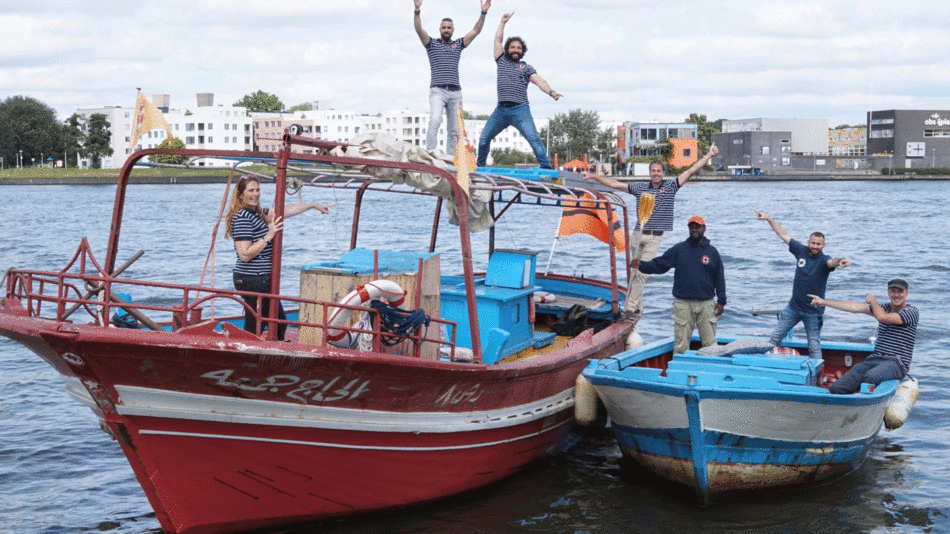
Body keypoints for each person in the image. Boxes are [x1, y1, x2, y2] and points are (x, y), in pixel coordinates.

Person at [584, 143, 719, 321]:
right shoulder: (641, 188)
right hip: (637, 234)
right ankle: (638, 305)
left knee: (642, 272)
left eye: (659, 171)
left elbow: (691, 170)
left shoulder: (671, 186)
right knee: (635, 272)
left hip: (655, 237)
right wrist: (595, 177)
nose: (656, 174)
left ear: (663, 173)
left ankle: (630, 309)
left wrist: (708, 155)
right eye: (653, 171)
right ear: (650, 173)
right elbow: (616, 185)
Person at [225, 177, 332, 340]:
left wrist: (312, 205)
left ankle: (260, 354)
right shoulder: (242, 217)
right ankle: (246, 354)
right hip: (251, 279)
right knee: (257, 325)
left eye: (257, 190)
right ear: (240, 195)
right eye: (251, 190)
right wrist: (269, 235)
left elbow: (283, 211)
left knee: (278, 324)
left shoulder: (256, 214)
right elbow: (244, 254)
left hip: (260, 279)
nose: (255, 194)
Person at [754, 210, 850, 359]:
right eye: (813, 243)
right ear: (808, 242)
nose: (815, 246)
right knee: (773, 340)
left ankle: (817, 378)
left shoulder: (825, 260)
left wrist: (841, 260)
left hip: (814, 312)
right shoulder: (801, 251)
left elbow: (833, 262)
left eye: (818, 244)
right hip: (793, 308)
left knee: (814, 346)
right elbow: (784, 234)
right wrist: (768, 218)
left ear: (823, 245)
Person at [476, 12, 562, 169]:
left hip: (520, 109)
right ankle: (479, 167)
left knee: (533, 138)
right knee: (483, 139)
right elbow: (497, 40)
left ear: (522, 51)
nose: (515, 49)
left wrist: (551, 92)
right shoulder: (501, 60)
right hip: (501, 110)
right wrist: (502, 22)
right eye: (513, 47)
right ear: (508, 49)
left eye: (519, 48)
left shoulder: (526, 67)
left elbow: (539, 80)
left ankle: (546, 167)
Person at [631, 215, 726, 354]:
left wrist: (721, 301)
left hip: (706, 305)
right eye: (691, 227)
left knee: (710, 344)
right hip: (683, 304)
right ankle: (678, 372)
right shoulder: (679, 249)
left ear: (704, 229)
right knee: (681, 345)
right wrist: (642, 265)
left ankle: (711, 372)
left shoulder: (713, 252)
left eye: (697, 227)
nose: (694, 229)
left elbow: (720, 278)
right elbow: (660, 264)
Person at [809, 279, 919, 394]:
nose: (896, 295)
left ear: (906, 293)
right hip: (875, 359)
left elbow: (883, 318)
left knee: (871, 376)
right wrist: (824, 302)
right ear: (888, 292)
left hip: (897, 363)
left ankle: (862, 401)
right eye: (893, 291)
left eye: (900, 291)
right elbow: (854, 307)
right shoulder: (883, 308)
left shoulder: (911, 312)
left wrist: (873, 301)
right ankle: (849, 402)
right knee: (836, 388)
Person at [414, 0, 491, 155]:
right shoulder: (431, 44)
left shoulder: (458, 44)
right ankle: (431, 153)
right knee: (435, 120)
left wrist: (483, 13)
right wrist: (417, 10)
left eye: (449, 27)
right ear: (440, 29)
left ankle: (449, 159)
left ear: (453, 29)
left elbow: (476, 31)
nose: (446, 30)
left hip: (455, 92)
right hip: (438, 90)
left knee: (454, 130)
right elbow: (419, 29)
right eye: (444, 27)